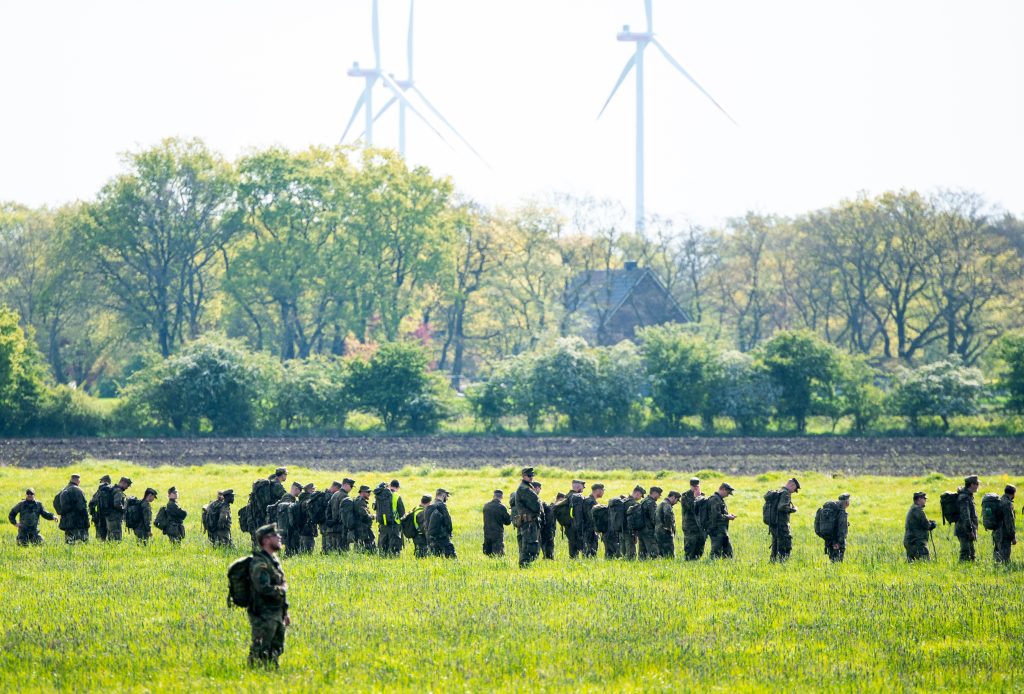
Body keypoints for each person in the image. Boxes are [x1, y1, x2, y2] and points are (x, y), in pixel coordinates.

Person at [248, 524, 290, 668]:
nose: (279, 537)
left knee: (276, 649)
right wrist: (282, 590)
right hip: (264, 614)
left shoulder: (274, 562)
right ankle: (253, 676)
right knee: (260, 650)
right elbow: (264, 589)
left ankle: (272, 676)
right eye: (275, 535)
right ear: (265, 540)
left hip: (276, 613)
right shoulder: (260, 563)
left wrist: (285, 612)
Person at [512, 470, 541, 567]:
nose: (531, 477)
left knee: (528, 544)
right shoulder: (524, 489)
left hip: (528, 521)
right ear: (524, 476)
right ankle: (524, 565)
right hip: (528, 522)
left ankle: (525, 565)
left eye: (532, 476)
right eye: (529, 476)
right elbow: (535, 505)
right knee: (528, 545)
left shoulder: (527, 487)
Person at [770, 478, 799, 562]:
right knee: (785, 545)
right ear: (792, 485)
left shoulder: (780, 491)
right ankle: (782, 563)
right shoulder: (786, 493)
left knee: (775, 545)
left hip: (775, 524)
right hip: (781, 524)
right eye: (795, 489)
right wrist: (793, 509)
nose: (794, 491)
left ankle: (773, 562)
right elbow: (781, 507)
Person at [56, 473, 90, 543]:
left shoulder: (63, 490)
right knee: (81, 543)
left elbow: (57, 504)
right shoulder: (77, 490)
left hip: (66, 522)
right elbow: (82, 508)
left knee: (69, 542)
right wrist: (86, 520)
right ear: (78, 480)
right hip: (78, 522)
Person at [903, 492, 935, 561]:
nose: (925, 500)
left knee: (912, 562)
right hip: (917, 541)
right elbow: (926, 525)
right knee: (925, 561)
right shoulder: (917, 510)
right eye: (924, 498)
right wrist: (932, 525)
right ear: (919, 499)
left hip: (910, 541)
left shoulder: (913, 509)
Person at [376, 479, 405, 557]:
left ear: (390, 485)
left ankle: (383, 557)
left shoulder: (380, 494)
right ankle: (394, 558)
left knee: (383, 543)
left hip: (382, 523)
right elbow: (402, 512)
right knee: (394, 545)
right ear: (398, 487)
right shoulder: (396, 496)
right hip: (394, 523)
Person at [679, 478, 706, 561]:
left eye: (697, 486)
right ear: (690, 486)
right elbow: (690, 508)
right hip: (690, 526)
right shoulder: (685, 496)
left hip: (700, 526)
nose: (695, 488)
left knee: (700, 546)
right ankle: (688, 562)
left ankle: (696, 561)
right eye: (694, 486)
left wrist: (699, 497)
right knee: (690, 546)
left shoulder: (702, 495)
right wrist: (695, 497)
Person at [955, 475, 980, 562]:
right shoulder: (964, 497)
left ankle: (968, 569)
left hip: (967, 529)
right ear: (971, 485)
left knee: (971, 553)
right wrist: (970, 531)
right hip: (964, 529)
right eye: (977, 484)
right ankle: (961, 571)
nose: (978, 486)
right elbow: (966, 516)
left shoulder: (968, 496)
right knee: (965, 552)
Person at [427, 488, 456, 558]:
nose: (447, 498)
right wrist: (450, 532)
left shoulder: (430, 506)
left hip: (431, 538)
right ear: (443, 495)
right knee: (452, 557)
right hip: (442, 537)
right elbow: (448, 521)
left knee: (437, 558)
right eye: (446, 496)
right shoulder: (441, 506)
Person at [482, 489, 511, 557]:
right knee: (498, 554)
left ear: (494, 496)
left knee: (488, 553)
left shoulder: (486, 506)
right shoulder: (501, 507)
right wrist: (510, 514)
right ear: (501, 497)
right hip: (497, 533)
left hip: (487, 532)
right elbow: (508, 522)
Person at [323, 480, 349, 553]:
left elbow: (328, 510)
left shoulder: (331, 495)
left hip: (329, 524)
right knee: (337, 547)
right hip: (335, 526)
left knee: (329, 547)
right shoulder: (335, 495)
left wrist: (329, 520)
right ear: (334, 487)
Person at [993, 484, 1017, 563]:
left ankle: (995, 572)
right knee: (1004, 559)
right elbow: (1009, 522)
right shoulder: (1007, 504)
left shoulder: (999, 501)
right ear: (1013, 494)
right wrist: (1013, 537)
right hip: (1004, 535)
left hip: (996, 533)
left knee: (997, 557)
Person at [581, 484, 605, 557]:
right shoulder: (590, 502)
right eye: (603, 490)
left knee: (590, 551)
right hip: (589, 530)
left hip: (589, 529)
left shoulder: (589, 500)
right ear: (598, 490)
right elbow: (590, 517)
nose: (603, 492)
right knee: (589, 552)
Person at [564, 479, 586, 559]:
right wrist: (580, 527)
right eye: (582, 487)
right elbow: (578, 514)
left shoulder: (567, 496)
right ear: (577, 486)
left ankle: (573, 563)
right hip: (576, 525)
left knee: (572, 549)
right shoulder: (577, 497)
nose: (583, 490)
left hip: (569, 526)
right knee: (583, 548)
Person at [825, 493, 851, 562]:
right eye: (849, 500)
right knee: (837, 562)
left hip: (831, 540)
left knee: (833, 560)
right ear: (846, 502)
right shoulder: (841, 513)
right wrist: (838, 543)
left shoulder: (835, 511)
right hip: (837, 542)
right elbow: (841, 530)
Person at [106, 477, 132, 542]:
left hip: (109, 517)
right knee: (116, 538)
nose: (127, 487)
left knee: (110, 537)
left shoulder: (112, 489)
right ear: (122, 482)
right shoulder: (118, 491)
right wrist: (123, 509)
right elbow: (117, 504)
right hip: (115, 518)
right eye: (127, 485)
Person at [638, 487, 661, 559]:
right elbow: (654, 518)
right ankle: (654, 566)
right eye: (659, 494)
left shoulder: (643, 501)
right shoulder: (651, 502)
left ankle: (641, 565)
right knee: (654, 551)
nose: (659, 496)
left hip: (641, 529)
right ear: (654, 493)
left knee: (642, 552)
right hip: (649, 530)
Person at [655, 490, 679, 558]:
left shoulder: (661, 503)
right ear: (673, 497)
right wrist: (669, 527)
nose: (676, 502)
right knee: (669, 552)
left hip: (658, 530)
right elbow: (667, 515)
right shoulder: (667, 505)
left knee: (661, 552)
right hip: (665, 532)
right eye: (677, 500)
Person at [89, 474, 112, 541]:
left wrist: (93, 514)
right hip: (110, 517)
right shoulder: (113, 490)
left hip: (100, 517)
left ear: (103, 481)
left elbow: (91, 503)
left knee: (100, 538)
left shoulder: (100, 491)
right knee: (111, 537)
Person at [623, 486, 644, 560]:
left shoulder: (624, 500)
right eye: (641, 495)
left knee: (623, 553)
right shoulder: (633, 504)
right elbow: (634, 520)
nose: (640, 498)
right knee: (631, 555)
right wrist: (634, 534)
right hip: (629, 531)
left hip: (620, 530)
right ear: (637, 493)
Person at [296, 483, 317, 554]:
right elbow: (311, 515)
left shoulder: (301, 499)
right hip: (308, 528)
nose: (314, 491)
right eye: (313, 489)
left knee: (302, 550)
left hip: (301, 528)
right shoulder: (308, 501)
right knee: (308, 551)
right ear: (309, 490)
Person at [353, 485, 375, 552]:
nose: (369, 494)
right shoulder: (360, 502)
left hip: (361, 529)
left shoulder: (359, 501)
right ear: (362, 492)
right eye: (368, 492)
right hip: (363, 530)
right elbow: (364, 516)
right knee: (369, 549)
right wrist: (373, 516)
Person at [539, 486, 559, 561]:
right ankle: (548, 559)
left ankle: (547, 557)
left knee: (544, 546)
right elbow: (549, 523)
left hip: (543, 531)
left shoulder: (550, 508)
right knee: (549, 547)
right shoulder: (551, 510)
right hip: (547, 531)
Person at [603, 494, 626, 559]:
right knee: (617, 553)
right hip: (614, 533)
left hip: (606, 532)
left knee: (608, 552)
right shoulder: (619, 510)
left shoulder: (610, 508)